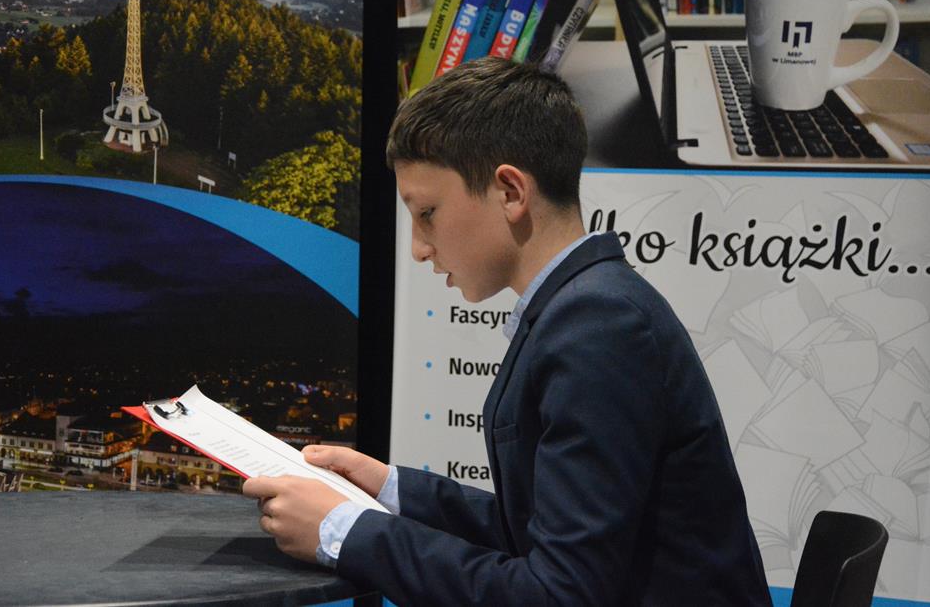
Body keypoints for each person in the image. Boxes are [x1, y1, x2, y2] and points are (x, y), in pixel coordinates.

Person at [242, 57, 772, 606]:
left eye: (427, 212)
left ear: (511, 192)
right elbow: (538, 530)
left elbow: (558, 594)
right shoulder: (586, 307)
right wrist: (389, 489)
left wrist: (345, 533)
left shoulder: (599, 326)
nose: (419, 248)